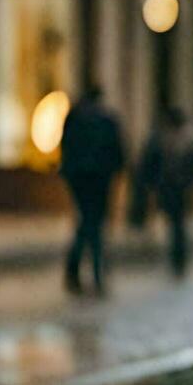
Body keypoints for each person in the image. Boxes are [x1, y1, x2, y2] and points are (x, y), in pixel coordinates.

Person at [60, 86, 125, 295]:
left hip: (81, 179)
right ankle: (95, 273)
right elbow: (117, 151)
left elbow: (66, 149)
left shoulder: (75, 118)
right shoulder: (106, 120)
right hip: (99, 180)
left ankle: (79, 270)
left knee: (88, 223)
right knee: (93, 224)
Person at [138, 107, 193, 277]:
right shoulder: (188, 139)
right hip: (177, 186)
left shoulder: (164, 138)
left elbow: (149, 162)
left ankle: (178, 258)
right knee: (178, 224)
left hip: (172, 186)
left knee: (176, 224)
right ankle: (179, 259)